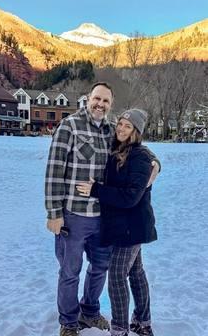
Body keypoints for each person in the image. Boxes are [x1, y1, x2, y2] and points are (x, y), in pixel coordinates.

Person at [45, 83, 160, 336]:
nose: (101, 104)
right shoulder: (69, 126)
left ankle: (90, 311)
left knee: (99, 268)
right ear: (89, 99)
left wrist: (156, 163)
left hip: (103, 217)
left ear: (110, 104)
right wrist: (54, 212)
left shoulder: (111, 129)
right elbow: (54, 170)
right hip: (73, 216)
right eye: (97, 99)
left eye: (106, 101)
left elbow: (137, 145)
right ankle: (69, 323)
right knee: (69, 271)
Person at [76, 108, 157, 336]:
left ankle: (120, 329)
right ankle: (143, 322)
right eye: (120, 123)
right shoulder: (117, 148)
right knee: (136, 272)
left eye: (127, 126)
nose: (121, 128)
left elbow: (130, 197)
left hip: (132, 227)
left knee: (117, 275)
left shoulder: (140, 156)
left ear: (136, 132)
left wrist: (96, 190)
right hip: (122, 225)